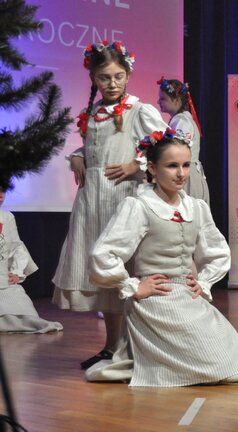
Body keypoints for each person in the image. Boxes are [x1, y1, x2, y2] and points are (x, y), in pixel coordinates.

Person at [85, 129, 238, 387]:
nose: (181, 173)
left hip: (187, 295)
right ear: (152, 168)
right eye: (172, 166)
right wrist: (133, 286)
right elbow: (102, 254)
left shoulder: (195, 207)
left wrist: (203, 282)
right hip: (155, 300)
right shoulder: (139, 206)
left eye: (186, 165)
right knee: (223, 370)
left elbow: (217, 252)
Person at [52, 41, 168, 369]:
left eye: (118, 76)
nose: (112, 83)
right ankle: (112, 346)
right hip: (93, 203)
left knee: (126, 271)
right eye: (104, 77)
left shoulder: (138, 110)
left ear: (128, 75)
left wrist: (137, 163)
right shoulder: (92, 113)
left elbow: (168, 142)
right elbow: (96, 148)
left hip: (122, 200)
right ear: (94, 79)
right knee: (105, 275)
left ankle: (138, 347)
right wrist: (77, 155)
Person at [0, 188, 62, 333]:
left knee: (25, 314)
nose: (1, 195)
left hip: (4, 281)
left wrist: (17, 272)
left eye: (3, 191)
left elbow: (16, 246)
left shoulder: (7, 217)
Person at [156, 77, 210, 203]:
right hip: (185, 172)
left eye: (163, 98)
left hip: (186, 175)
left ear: (176, 100)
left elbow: (179, 151)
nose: (158, 101)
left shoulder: (182, 121)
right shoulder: (179, 120)